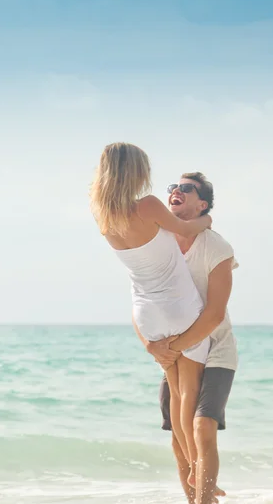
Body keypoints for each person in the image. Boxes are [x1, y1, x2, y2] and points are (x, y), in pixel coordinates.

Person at [89, 143, 212, 489]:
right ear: (136, 172)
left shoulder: (104, 216)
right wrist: (208, 218)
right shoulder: (149, 205)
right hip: (178, 306)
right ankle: (197, 468)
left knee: (175, 393)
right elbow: (188, 230)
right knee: (189, 393)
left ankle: (189, 465)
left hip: (146, 313)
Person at [141, 172, 238, 504]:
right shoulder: (158, 242)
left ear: (203, 204)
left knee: (202, 428)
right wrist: (153, 347)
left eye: (186, 188)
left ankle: (206, 495)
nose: (175, 192)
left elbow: (214, 314)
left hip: (215, 351)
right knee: (176, 440)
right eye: (172, 188)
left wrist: (172, 348)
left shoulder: (217, 247)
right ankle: (198, 500)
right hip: (175, 353)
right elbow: (142, 297)